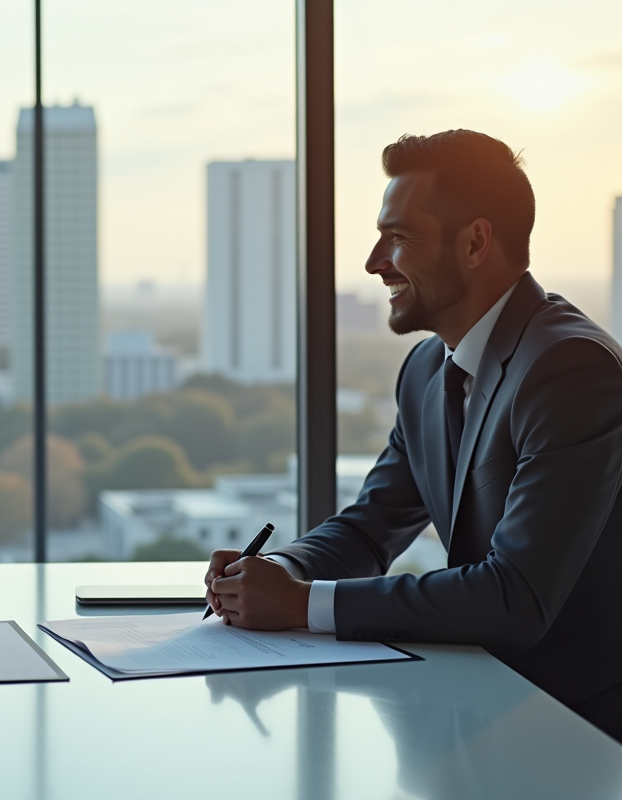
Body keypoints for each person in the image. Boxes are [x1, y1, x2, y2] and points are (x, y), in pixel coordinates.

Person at [205, 129, 622, 741]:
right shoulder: (428, 369)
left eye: (398, 238)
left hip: (574, 729)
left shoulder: (570, 369)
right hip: (473, 706)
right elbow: (370, 526)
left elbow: (516, 596)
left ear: (475, 242)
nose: (375, 262)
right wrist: (274, 569)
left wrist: (300, 603)